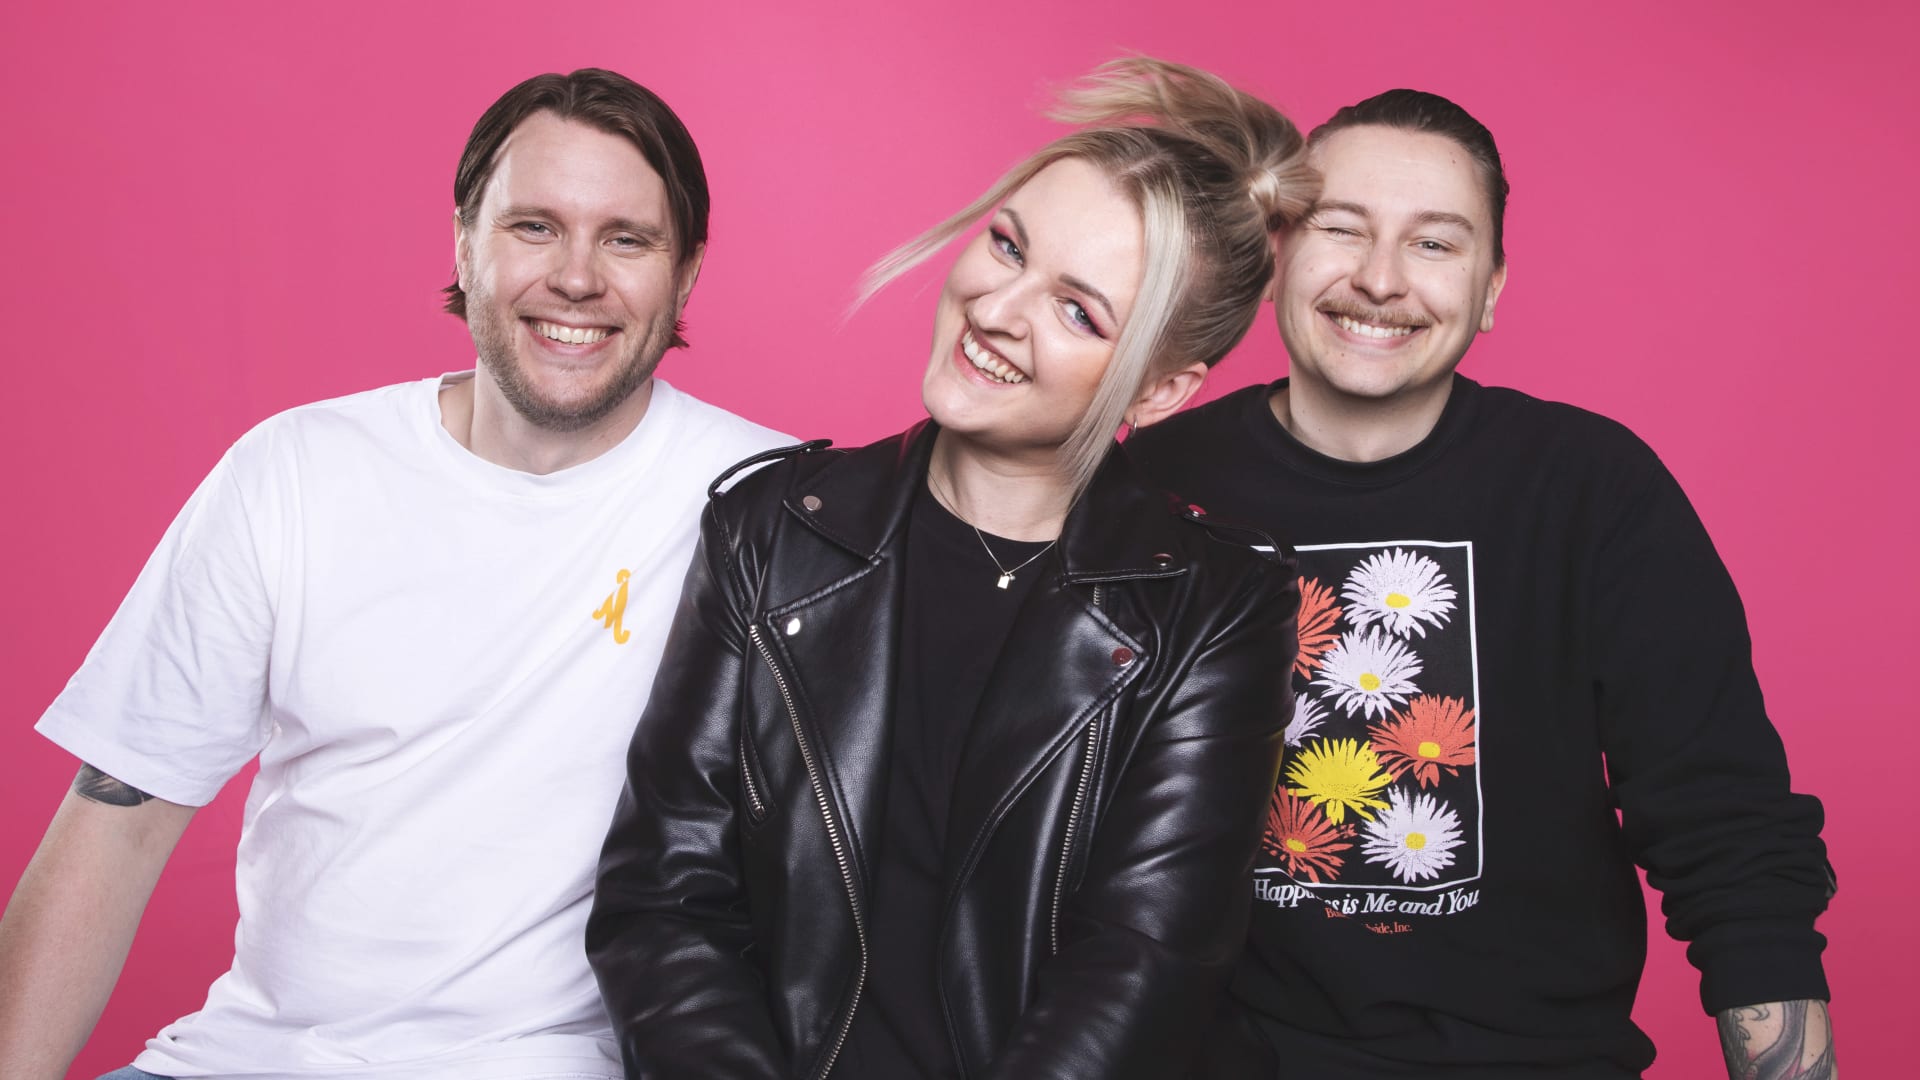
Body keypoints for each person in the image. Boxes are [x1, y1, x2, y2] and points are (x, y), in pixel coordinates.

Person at [0, 68, 786, 1080]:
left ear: (686, 273)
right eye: (534, 227)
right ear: (463, 240)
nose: (576, 278)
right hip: (244, 1060)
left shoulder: (765, 509)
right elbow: (121, 820)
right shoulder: (294, 473)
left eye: (626, 239)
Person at [585, 57, 1314, 1079]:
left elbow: (1143, 964)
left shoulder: (1218, 610)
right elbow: (664, 901)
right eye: (1008, 245)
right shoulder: (771, 531)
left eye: (1079, 311)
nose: (998, 308)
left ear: (1159, 390)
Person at [1127, 89, 1837, 1078]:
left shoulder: (1591, 488)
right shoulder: (1152, 489)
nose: (1380, 279)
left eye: (1434, 244)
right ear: (1279, 251)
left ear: (1492, 289)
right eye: (1342, 228)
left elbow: (1730, 834)